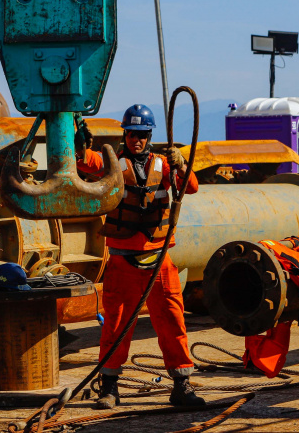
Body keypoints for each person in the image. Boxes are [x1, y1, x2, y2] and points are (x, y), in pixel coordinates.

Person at [75, 104, 205, 409]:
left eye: (143, 135)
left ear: (149, 136)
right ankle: (109, 388)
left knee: (172, 321)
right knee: (116, 326)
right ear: (125, 134)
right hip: (123, 261)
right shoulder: (112, 164)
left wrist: (182, 163)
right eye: (133, 134)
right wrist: (78, 140)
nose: (138, 140)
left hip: (160, 262)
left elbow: (193, 187)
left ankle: (182, 386)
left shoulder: (165, 164)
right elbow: (84, 161)